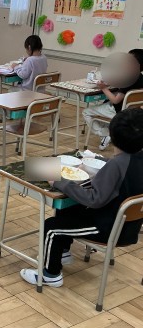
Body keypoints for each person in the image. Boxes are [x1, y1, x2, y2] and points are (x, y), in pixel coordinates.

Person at [20, 107, 143, 288]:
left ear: (113, 136)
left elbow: (94, 199)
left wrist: (59, 182)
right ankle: (62, 251)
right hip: (128, 227)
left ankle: (50, 274)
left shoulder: (116, 165)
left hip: (107, 228)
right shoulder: (133, 159)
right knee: (68, 205)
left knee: (52, 227)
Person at [83, 49, 143, 151]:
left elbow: (115, 100)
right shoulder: (140, 77)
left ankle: (104, 134)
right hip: (133, 111)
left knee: (86, 112)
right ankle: (110, 132)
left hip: (120, 111)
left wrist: (103, 88)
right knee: (104, 104)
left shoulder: (129, 78)